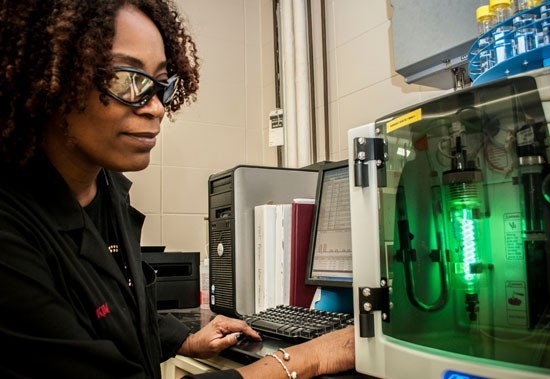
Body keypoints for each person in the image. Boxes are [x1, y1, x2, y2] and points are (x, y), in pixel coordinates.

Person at [0, 0, 355, 378]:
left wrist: (182, 338)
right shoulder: (10, 232)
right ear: (48, 77)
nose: (156, 108)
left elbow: (111, 309)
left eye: (160, 86)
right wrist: (301, 360)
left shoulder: (106, 188)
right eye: (128, 80)